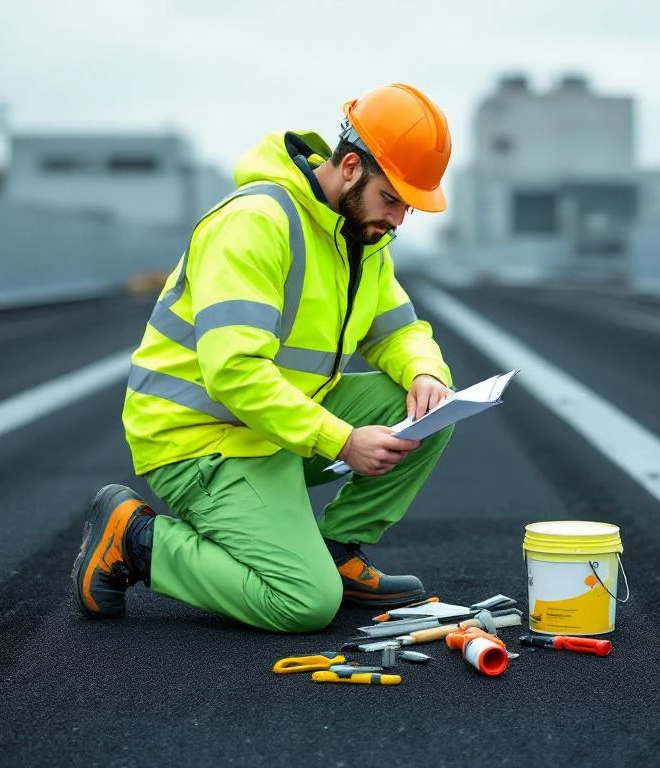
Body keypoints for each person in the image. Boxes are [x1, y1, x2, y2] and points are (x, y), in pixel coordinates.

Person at [71, 83, 456, 633]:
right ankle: (134, 540)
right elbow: (236, 372)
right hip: (202, 440)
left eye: (408, 207)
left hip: (277, 426)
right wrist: (343, 441)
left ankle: (337, 550)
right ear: (350, 167)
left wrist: (425, 372)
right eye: (391, 199)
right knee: (303, 603)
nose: (398, 219)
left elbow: (398, 330)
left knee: (427, 410)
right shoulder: (256, 222)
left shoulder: (360, 237)